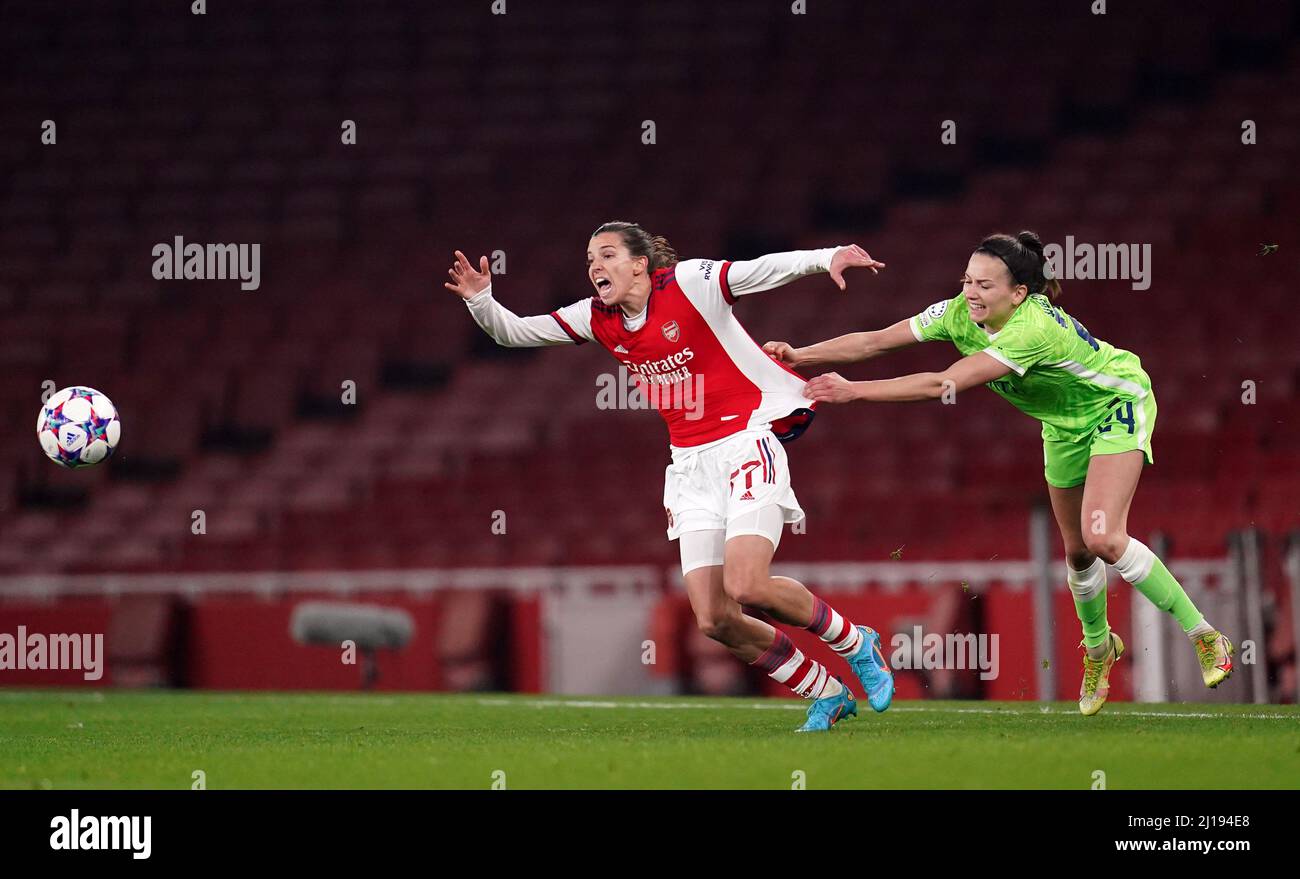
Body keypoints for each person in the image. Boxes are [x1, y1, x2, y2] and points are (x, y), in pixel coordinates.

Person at [445, 221, 894, 730]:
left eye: (607, 254)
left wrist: (827, 255)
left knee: (747, 583)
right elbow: (515, 332)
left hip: (746, 440)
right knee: (714, 619)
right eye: (590, 257)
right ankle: (824, 691)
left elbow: (760, 270)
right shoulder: (597, 317)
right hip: (689, 467)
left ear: (640, 262)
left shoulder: (689, 283)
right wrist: (482, 302)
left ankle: (856, 642)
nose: (595, 266)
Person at [765, 231, 1234, 715]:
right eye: (967, 280)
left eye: (985, 285)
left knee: (1104, 538)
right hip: (1061, 425)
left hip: (1115, 405)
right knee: (1076, 554)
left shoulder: (1030, 330)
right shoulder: (957, 312)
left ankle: (1205, 635)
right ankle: (1099, 649)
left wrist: (855, 392)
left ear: (1019, 294)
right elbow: (878, 341)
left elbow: (943, 383)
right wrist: (803, 354)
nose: (971, 292)